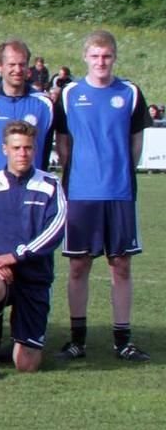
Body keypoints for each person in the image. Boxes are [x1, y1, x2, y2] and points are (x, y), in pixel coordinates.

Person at [53, 29, 149, 362]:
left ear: (114, 57)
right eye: (95, 56)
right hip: (81, 194)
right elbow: (62, 143)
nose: (101, 62)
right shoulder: (69, 94)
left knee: (120, 265)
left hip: (119, 193)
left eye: (106, 56)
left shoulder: (131, 93)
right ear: (85, 58)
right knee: (79, 266)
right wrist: (80, 171)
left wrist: (120, 169)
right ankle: (77, 339)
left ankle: (123, 340)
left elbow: (136, 141)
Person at [0, 121, 67, 379]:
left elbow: (55, 229)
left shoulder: (50, 185)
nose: (22, 153)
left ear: (35, 150)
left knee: (26, 364)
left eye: (28, 148)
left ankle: (17, 340)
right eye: (17, 148)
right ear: (5, 149)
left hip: (34, 278)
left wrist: (16, 257)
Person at [0, 40, 54, 179]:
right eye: (12, 64)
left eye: (22, 65)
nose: (17, 70)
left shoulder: (44, 104)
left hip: (33, 188)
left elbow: (45, 149)